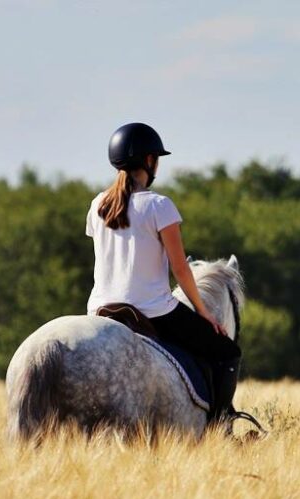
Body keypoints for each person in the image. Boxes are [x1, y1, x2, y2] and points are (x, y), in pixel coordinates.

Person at [86, 122, 242, 428]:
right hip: (152, 310)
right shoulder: (160, 205)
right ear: (149, 161)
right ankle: (220, 422)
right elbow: (180, 269)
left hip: (99, 311)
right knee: (227, 352)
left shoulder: (97, 205)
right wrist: (203, 313)